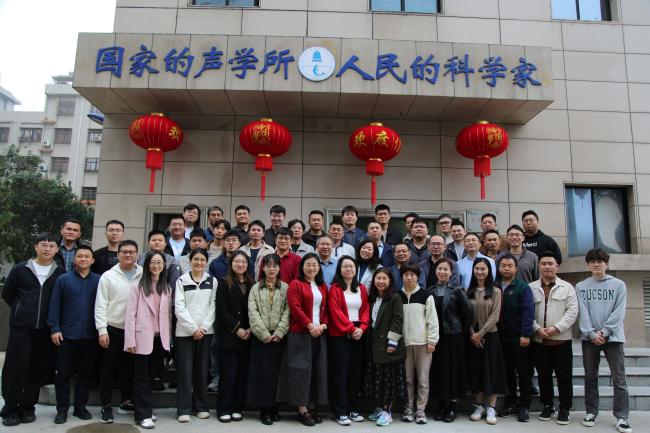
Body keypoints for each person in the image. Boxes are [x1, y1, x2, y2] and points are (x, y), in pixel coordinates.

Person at [1, 233, 65, 427]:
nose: (47, 248)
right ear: (36, 247)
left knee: (37, 370)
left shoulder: (59, 273)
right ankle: (10, 409)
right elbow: (8, 294)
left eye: (51, 246)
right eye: (43, 245)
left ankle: (28, 407)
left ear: (56, 249)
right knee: (15, 369)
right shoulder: (21, 269)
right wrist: (22, 311)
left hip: (45, 330)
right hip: (21, 328)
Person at [577, 249, 632, 433]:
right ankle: (591, 412)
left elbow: (619, 312)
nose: (596, 264)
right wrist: (591, 334)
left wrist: (605, 331)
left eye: (600, 261)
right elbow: (583, 313)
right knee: (590, 377)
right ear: (588, 265)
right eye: (592, 261)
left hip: (614, 338)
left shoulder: (619, 285)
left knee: (619, 378)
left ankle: (622, 417)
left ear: (606, 264)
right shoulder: (581, 286)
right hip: (589, 338)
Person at [48, 245, 100, 425]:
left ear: (92, 260)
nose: (83, 259)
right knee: (62, 375)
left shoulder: (99, 280)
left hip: (90, 337)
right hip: (66, 336)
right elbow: (54, 305)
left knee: (86, 374)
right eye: (80, 256)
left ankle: (80, 407)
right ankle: (62, 410)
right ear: (75, 260)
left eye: (87, 256)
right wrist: (54, 328)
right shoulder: (63, 280)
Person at [95, 239, 142, 424]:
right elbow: (100, 304)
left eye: (132, 252)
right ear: (118, 254)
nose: (128, 255)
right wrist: (102, 330)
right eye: (124, 252)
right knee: (108, 368)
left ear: (137, 254)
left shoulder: (143, 273)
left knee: (128, 369)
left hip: (135, 330)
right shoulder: (108, 276)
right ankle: (106, 406)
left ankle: (126, 401)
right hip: (113, 328)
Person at [279, 253, 329, 426]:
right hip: (300, 333)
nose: (312, 267)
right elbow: (295, 308)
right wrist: (310, 326)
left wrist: (322, 326)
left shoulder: (322, 286)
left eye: (315, 264)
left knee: (317, 369)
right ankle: (302, 409)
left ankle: (313, 406)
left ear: (319, 267)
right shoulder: (296, 284)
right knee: (300, 370)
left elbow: (326, 310)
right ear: (302, 267)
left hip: (319, 334)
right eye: (308, 264)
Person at [124, 251, 172, 429]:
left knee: (151, 377)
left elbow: (167, 316)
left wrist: (169, 340)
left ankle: (146, 408)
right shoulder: (137, 286)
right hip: (142, 337)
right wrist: (130, 340)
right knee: (141, 377)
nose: (156, 266)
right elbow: (130, 315)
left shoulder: (166, 288)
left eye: (159, 262)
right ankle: (142, 415)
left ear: (164, 265)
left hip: (159, 339)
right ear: (147, 265)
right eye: (153, 262)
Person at [530, 251, 578, 425]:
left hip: (561, 341)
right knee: (543, 376)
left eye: (551, 264)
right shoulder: (531, 287)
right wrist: (536, 329)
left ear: (557, 266)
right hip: (539, 340)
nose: (547, 267)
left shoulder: (567, 287)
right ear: (539, 266)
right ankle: (548, 405)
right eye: (544, 263)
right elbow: (526, 312)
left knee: (564, 376)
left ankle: (564, 408)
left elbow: (572, 311)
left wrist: (556, 328)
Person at [174, 248, 217, 423]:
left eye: (202, 260)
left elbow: (213, 306)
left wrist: (204, 328)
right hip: (184, 333)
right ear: (190, 261)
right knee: (185, 371)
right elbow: (179, 307)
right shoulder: (181, 280)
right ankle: (183, 409)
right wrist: (193, 328)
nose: (199, 262)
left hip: (206, 332)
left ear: (206, 262)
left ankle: (201, 407)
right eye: (196, 259)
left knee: (202, 370)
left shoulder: (212, 281)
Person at [247, 254, 290, 425]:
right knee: (263, 374)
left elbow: (288, 311)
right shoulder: (255, 288)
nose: (272, 269)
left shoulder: (286, 288)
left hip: (279, 338)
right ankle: (265, 408)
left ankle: (275, 407)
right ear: (263, 268)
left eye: (275, 266)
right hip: (261, 338)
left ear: (279, 268)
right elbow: (253, 312)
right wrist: (264, 334)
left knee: (277, 374)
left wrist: (280, 332)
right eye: (268, 266)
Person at [430, 258, 474, 423]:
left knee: (454, 371)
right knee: (440, 371)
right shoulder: (430, 290)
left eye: (445, 269)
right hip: (436, 337)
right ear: (435, 271)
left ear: (451, 273)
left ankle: (452, 407)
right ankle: (442, 405)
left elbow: (468, 312)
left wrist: (462, 331)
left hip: (454, 337)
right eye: (439, 269)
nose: (442, 272)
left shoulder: (457, 290)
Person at [327, 256, 369, 425]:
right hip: (340, 335)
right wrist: (351, 329)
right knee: (340, 373)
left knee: (355, 374)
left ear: (355, 269)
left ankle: (353, 409)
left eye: (351, 266)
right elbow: (335, 312)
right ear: (340, 269)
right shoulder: (335, 289)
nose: (349, 269)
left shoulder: (362, 288)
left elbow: (365, 309)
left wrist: (362, 328)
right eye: (345, 266)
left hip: (358, 334)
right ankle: (340, 411)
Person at [466, 257, 507, 426]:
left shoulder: (495, 291)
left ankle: (491, 407)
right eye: (477, 269)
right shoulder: (468, 290)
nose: (480, 272)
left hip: (490, 336)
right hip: (472, 337)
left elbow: (495, 316)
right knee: (476, 370)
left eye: (483, 269)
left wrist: (480, 333)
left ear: (489, 271)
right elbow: (465, 314)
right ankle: (479, 406)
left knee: (492, 371)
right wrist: (472, 334)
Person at [494, 254, 534, 421]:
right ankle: (510, 402)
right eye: (503, 266)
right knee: (507, 372)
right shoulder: (495, 286)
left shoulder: (522, 287)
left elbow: (528, 312)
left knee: (523, 373)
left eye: (510, 266)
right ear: (499, 268)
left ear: (516, 268)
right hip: (500, 338)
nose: (506, 269)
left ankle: (524, 405)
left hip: (519, 337)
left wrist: (525, 334)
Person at [364, 268, 406, 427]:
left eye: (384, 279)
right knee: (377, 378)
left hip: (388, 344)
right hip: (374, 344)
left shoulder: (395, 297)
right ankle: (379, 407)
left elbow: (398, 320)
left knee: (388, 380)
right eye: (378, 278)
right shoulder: (372, 298)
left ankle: (387, 411)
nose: (381, 281)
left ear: (390, 281)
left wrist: (392, 342)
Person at [215, 251, 254, 422]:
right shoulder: (224, 283)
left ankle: (237, 407)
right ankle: (224, 408)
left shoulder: (252, 283)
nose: (240, 265)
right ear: (231, 264)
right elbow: (222, 310)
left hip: (248, 335)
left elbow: (255, 308)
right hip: (230, 335)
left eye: (243, 262)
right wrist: (237, 328)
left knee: (241, 374)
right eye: (237, 261)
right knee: (228, 375)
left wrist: (251, 328)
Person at [399, 264, 438, 425]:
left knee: (423, 379)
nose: (409, 277)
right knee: (407, 379)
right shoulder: (397, 296)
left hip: (423, 344)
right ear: (402, 277)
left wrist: (432, 340)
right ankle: (408, 408)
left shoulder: (426, 295)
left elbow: (432, 320)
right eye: (406, 274)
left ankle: (420, 410)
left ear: (417, 277)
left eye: (412, 275)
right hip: (404, 344)